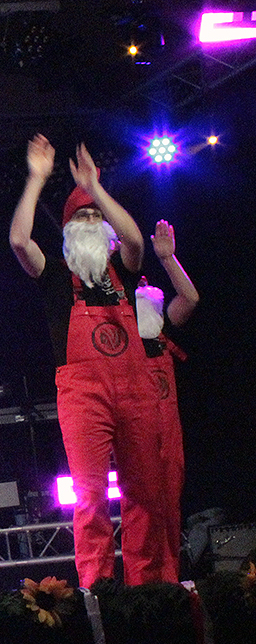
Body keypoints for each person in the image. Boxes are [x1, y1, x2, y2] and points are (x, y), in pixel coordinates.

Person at [9, 134, 165, 585]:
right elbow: (19, 240)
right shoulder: (55, 277)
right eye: (82, 216)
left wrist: (95, 188)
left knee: (146, 491)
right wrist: (37, 179)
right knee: (90, 495)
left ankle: (149, 586)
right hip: (83, 395)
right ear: (67, 228)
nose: (91, 221)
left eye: (97, 216)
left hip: (135, 389)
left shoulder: (125, 271)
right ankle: (97, 587)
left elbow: (134, 239)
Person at [133, 219, 198, 580]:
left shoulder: (162, 328)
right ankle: (143, 580)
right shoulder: (119, 337)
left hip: (167, 432)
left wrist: (168, 259)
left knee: (170, 502)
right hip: (136, 431)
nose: (144, 284)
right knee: (142, 508)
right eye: (138, 284)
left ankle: (169, 577)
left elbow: (190, 298)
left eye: (148, 283)